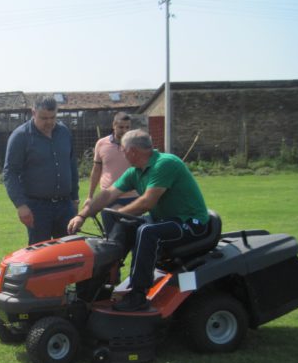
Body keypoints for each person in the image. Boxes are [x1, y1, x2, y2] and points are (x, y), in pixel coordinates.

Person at [68, 129, 209, 312]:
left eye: (123, 150)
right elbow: (108, 194)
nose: (123, 154)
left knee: (146, 232)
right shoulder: (135, 172)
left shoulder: (165, 164)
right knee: (125, 226)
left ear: (132, 151)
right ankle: (99, 286)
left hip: (191, 222)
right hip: (166, 220)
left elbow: (146, 203)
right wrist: (82, 215)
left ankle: (138, 295)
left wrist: (119, 213)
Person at [3, 96, 79, 245]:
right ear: (33, 113)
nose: (49, 122)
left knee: (69, 251)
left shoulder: (64, 133)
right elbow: (10, 172)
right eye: (44, 118)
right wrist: (21, 205)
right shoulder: (20, 137)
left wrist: (75, 198)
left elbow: (71, 165)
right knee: (40, 252)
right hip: (37, 208)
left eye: (53, 117)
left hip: (65, 205)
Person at [84, 112, 138, 234]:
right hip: (108, 197)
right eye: (121, 127)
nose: (125, 130)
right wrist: (90, 196)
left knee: (133, 236)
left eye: (128, 127)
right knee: (111, 236)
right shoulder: (101, 144)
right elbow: (96, 170)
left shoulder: (136, 144)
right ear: (114, 125)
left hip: (132, 197)